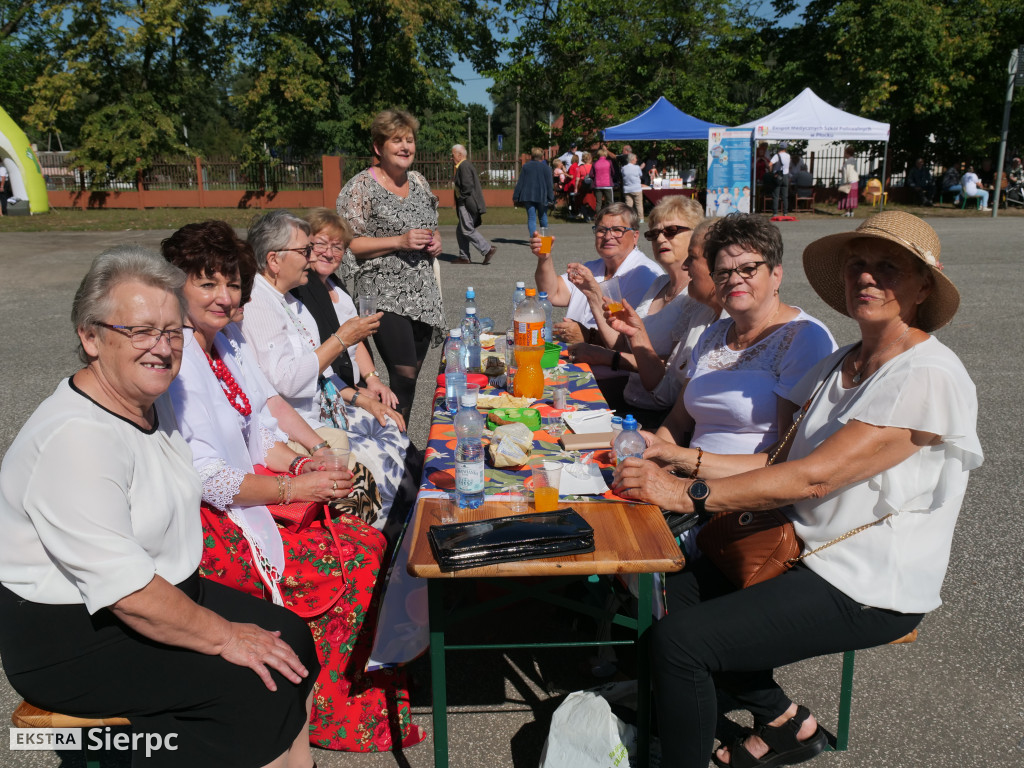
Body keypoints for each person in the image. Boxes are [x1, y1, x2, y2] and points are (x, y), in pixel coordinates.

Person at [613, 211, 982, 768]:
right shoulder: (844, 362)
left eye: (888, 267)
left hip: (869, 576)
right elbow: (780, 459)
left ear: (923, 285)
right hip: (805, 545)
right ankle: (752, 726)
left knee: (680, 644)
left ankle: (692, 747)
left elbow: (816, 476)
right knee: (672, 593)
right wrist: (674, 461)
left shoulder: (928, 373)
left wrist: (684, 494)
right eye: (858, 264)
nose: (867, 277)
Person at [0, 246, 320, 768]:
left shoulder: (154, 401)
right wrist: (224, 636)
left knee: (292, 643)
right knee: (251, 683)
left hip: (158, 589)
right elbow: (124, 590)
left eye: (173, 332)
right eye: (141, 331)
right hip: (71, 635)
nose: (163, 348)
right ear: (90, 337)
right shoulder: (76, 439)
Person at [162, 222, 424, 752]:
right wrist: (292, 490)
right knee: (355, 552)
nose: (225, 297)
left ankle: (336, 698)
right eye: (207, 284)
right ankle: (326, 707)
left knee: (365, 535)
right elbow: (207, 475)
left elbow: (262, 419)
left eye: (232, 285)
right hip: (207, 526)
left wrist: (309, 460)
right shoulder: (175, 357)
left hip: (245, 498)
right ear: (176, 287)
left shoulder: (225, 342)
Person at [239, 211, 410, 521]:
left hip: (319, 412)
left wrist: (365, 399)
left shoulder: (290, 299)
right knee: (383, 457)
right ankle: (383, 536)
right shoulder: (258, 303)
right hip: (294, 430)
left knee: (394, 429)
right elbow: (286, 383)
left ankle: (402, 523)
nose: (312, 258)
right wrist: (342, 340)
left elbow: (322, 372)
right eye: (305, 250)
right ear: (275, 261)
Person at [568, 199, 721, 425]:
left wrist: (604, 356)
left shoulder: (698, 298)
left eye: (671, 231)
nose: (660, 238)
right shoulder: (659, 284)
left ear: (697, 236)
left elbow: (670, 372)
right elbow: (623, 344)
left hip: (662, 415)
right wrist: (593, 295)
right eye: (654, 233)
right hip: (632, 402)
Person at [335, 109, 444, 422]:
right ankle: (398, 444)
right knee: (404, 373)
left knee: (410, 380)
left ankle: (398, 442)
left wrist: (436, 241)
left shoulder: (420, 182)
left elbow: (431, 227)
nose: (405, 146)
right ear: (378, 147)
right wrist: (400, 241)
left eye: (409, 140)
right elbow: (350, 242)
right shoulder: (360, 188)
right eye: (397, 140)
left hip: (423, 293)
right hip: (381, 291)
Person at [532, 202, 665, 345]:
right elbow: (551, 294)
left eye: (617, 230)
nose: (608, 236)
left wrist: (590, 336)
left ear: (635, 236)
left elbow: (637, 343)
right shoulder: (592, 268)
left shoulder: (645, 275)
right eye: (602, 230)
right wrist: (545, 259)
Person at [451, 144, 497, 265]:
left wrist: (460, 199)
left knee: (466, 230)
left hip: (467, 203)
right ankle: (464, 256)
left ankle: (487, 249)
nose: (451, 158)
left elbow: (467, 186)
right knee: (460, 230)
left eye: (452, 155)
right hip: (467, 202)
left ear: (460, 155)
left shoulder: (464, 166)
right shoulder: (463, 165)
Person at [512, 147, 555, 236]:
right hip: (542, 196)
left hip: (528, 195)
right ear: (542, 157)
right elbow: (549, 185)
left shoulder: (526, 167)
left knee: (531, 218)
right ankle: (544, 238)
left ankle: (533, 238)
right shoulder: (546, 168)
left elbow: (520, 182)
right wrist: (551, 198)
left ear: (531, 156)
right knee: (543, 217)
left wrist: (515, 196)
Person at [588, 147, 621, 212]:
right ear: (605, 154)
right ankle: (610, 215)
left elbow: (591, 174)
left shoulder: (595, 163)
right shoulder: (609, 162)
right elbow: (613, 172)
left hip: (597, 185)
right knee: (610, 202)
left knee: (598, 203)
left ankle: (598, 216)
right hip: (607, 184)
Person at [621, 153, 645, 224]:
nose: (636, 160)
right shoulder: (637, 167)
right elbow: (640, 174)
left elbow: (623, 175)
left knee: (628, 205)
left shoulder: (623, 168)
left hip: (627, 188)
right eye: (635, 158)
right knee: (639, 204)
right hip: (636, 188)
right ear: (632, 159)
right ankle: (641, 218)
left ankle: (628, 218)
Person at [769, 142, 791, 216]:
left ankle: (775, 212)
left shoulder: (776, 156)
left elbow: (770, 164)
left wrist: (771, 171)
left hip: (778, 176)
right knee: (785, 195)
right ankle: (785, 212)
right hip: (785, 176)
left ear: (779, 148)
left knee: (776, 195)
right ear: (785, 148)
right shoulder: (788, 156)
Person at [838, 145, 860, 217]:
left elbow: (846, 172)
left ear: (847, 153)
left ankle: (847, 211)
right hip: (854, 181)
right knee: (852, 197)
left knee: (847, 196)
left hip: (848, 181)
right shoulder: (854, 160)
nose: (844, 154)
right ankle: (851, 212)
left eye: (845, 153)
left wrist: (842, 171)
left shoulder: (848, 162)